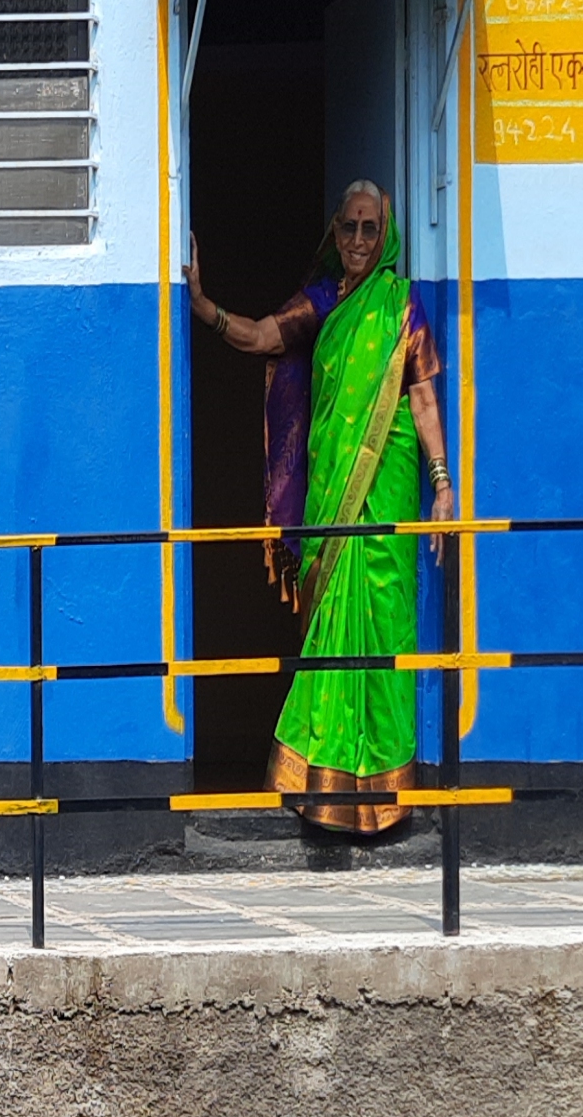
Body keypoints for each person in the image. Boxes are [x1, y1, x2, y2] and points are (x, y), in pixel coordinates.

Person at [185, 181, 456, 835]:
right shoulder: (322, 304)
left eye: (370, 230)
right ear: (334, 235)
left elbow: (421, 400)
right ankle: (322, 784)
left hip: (387, 502)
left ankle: (387, 793)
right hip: (332, 499)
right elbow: (260, 337)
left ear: (385, 237)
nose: (358, 242)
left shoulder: (402, 309)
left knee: (386, 632)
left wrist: (442, 483)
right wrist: (202, 306)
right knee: (331, 632)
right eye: (348, 229)